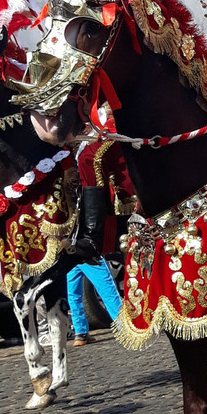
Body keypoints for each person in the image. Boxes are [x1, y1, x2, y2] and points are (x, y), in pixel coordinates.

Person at [66, 133, 133, 346]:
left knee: (73, 285)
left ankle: (80, 331)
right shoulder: (78, 160)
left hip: (67, 232)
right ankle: (123, 325)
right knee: (104, 282)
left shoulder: (70, 159)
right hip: (80, 228)